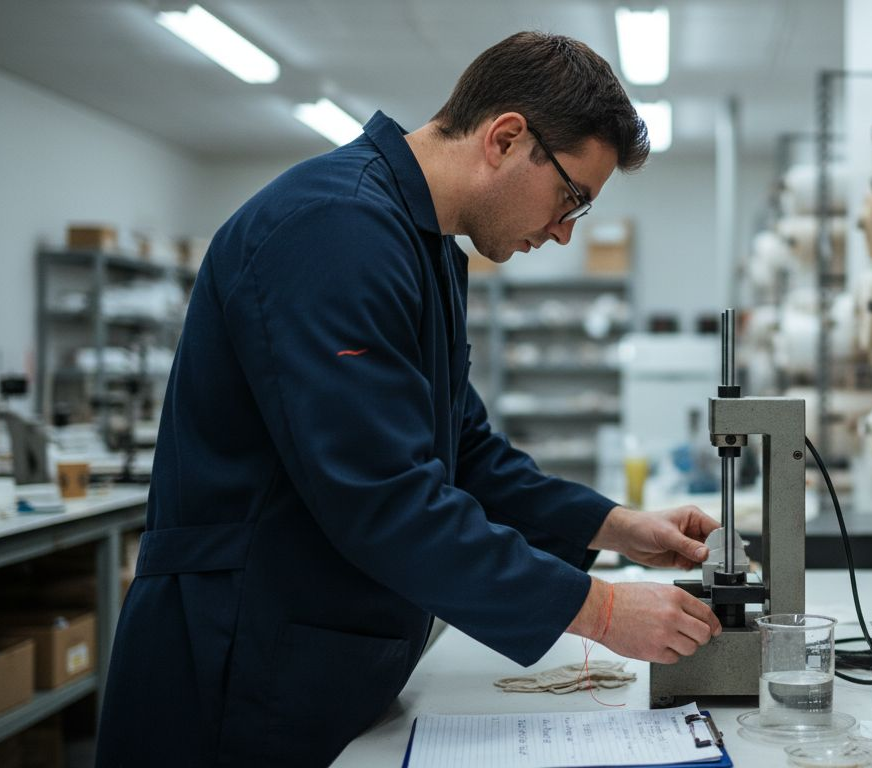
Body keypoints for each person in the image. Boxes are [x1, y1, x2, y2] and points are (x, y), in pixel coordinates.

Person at [97, 31, 723, 766]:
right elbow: (383, 493)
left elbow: (464, 452)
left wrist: (616, 527)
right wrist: (602, 611)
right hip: (234, 664)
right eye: (570, 198)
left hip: (312, 660)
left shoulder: (420, 245)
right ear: (506, 139)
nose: (562, 233)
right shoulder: (335, 230)